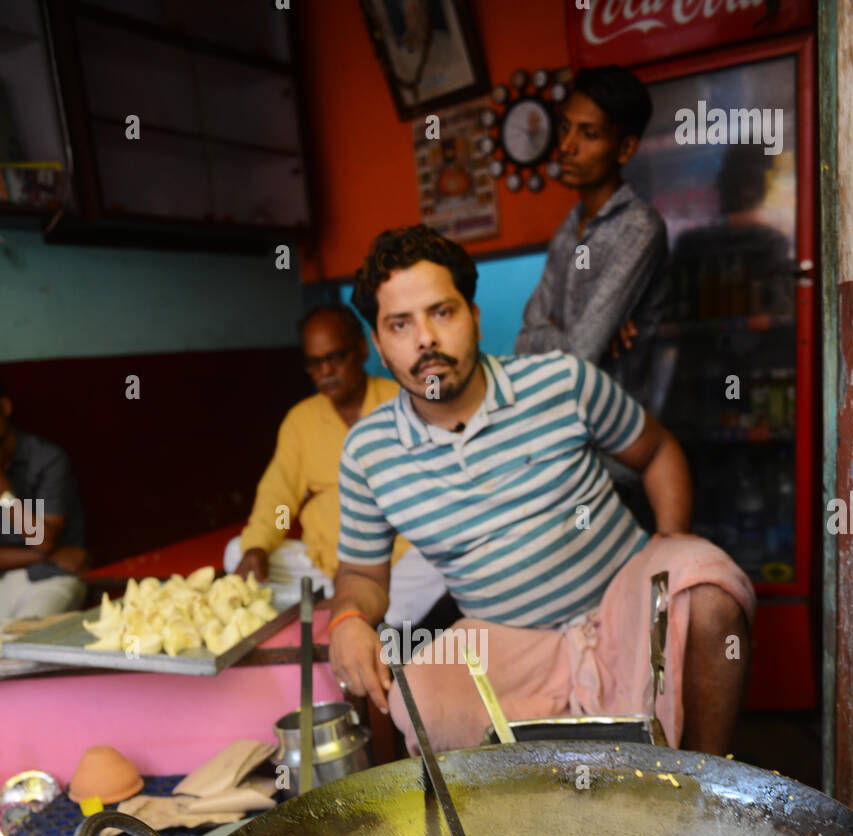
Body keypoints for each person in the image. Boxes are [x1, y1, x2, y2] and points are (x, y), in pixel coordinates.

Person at [328, 226, 755, 757]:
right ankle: (530, 830)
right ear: (379, 345)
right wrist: (348, 619)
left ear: (475, 318)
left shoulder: (561, 382)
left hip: (621, 595)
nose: (426, 340)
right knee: (420, 694)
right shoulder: (369, 452)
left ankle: (707, 787)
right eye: (400, 323)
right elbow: (364, 575)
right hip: (507, 643)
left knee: (709, 597)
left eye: (443, 312)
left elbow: (657, 450)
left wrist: (670, 543)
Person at [228, 303, 446, 626]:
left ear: (361, 349)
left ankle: (353, 608)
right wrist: (258, 546)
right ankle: (355, 607)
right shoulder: (301, 420)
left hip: (394, 563)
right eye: (315, 363)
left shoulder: (404, 404)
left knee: (441, 560)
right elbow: (279, 498)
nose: (326, 371)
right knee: (237, 551)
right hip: (323, 562)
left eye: (335, 357)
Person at [514, 66, 668, 409]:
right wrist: (587, 331)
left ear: (625, 149)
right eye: (565, 128)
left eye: (589, 134)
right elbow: (523, 343)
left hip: (618, 438)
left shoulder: (639, 227)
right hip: (564, 423)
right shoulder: (568, 229)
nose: (567, 146)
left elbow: (582, 356)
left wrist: (564, 332)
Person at [0, 379, 87, 623]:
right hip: (9, 579)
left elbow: (43, 540)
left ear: (5, 407)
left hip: (54, 577)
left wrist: (1, 487)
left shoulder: (47, 460)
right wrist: (47, 554)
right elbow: (47, 550)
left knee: (20, 649)